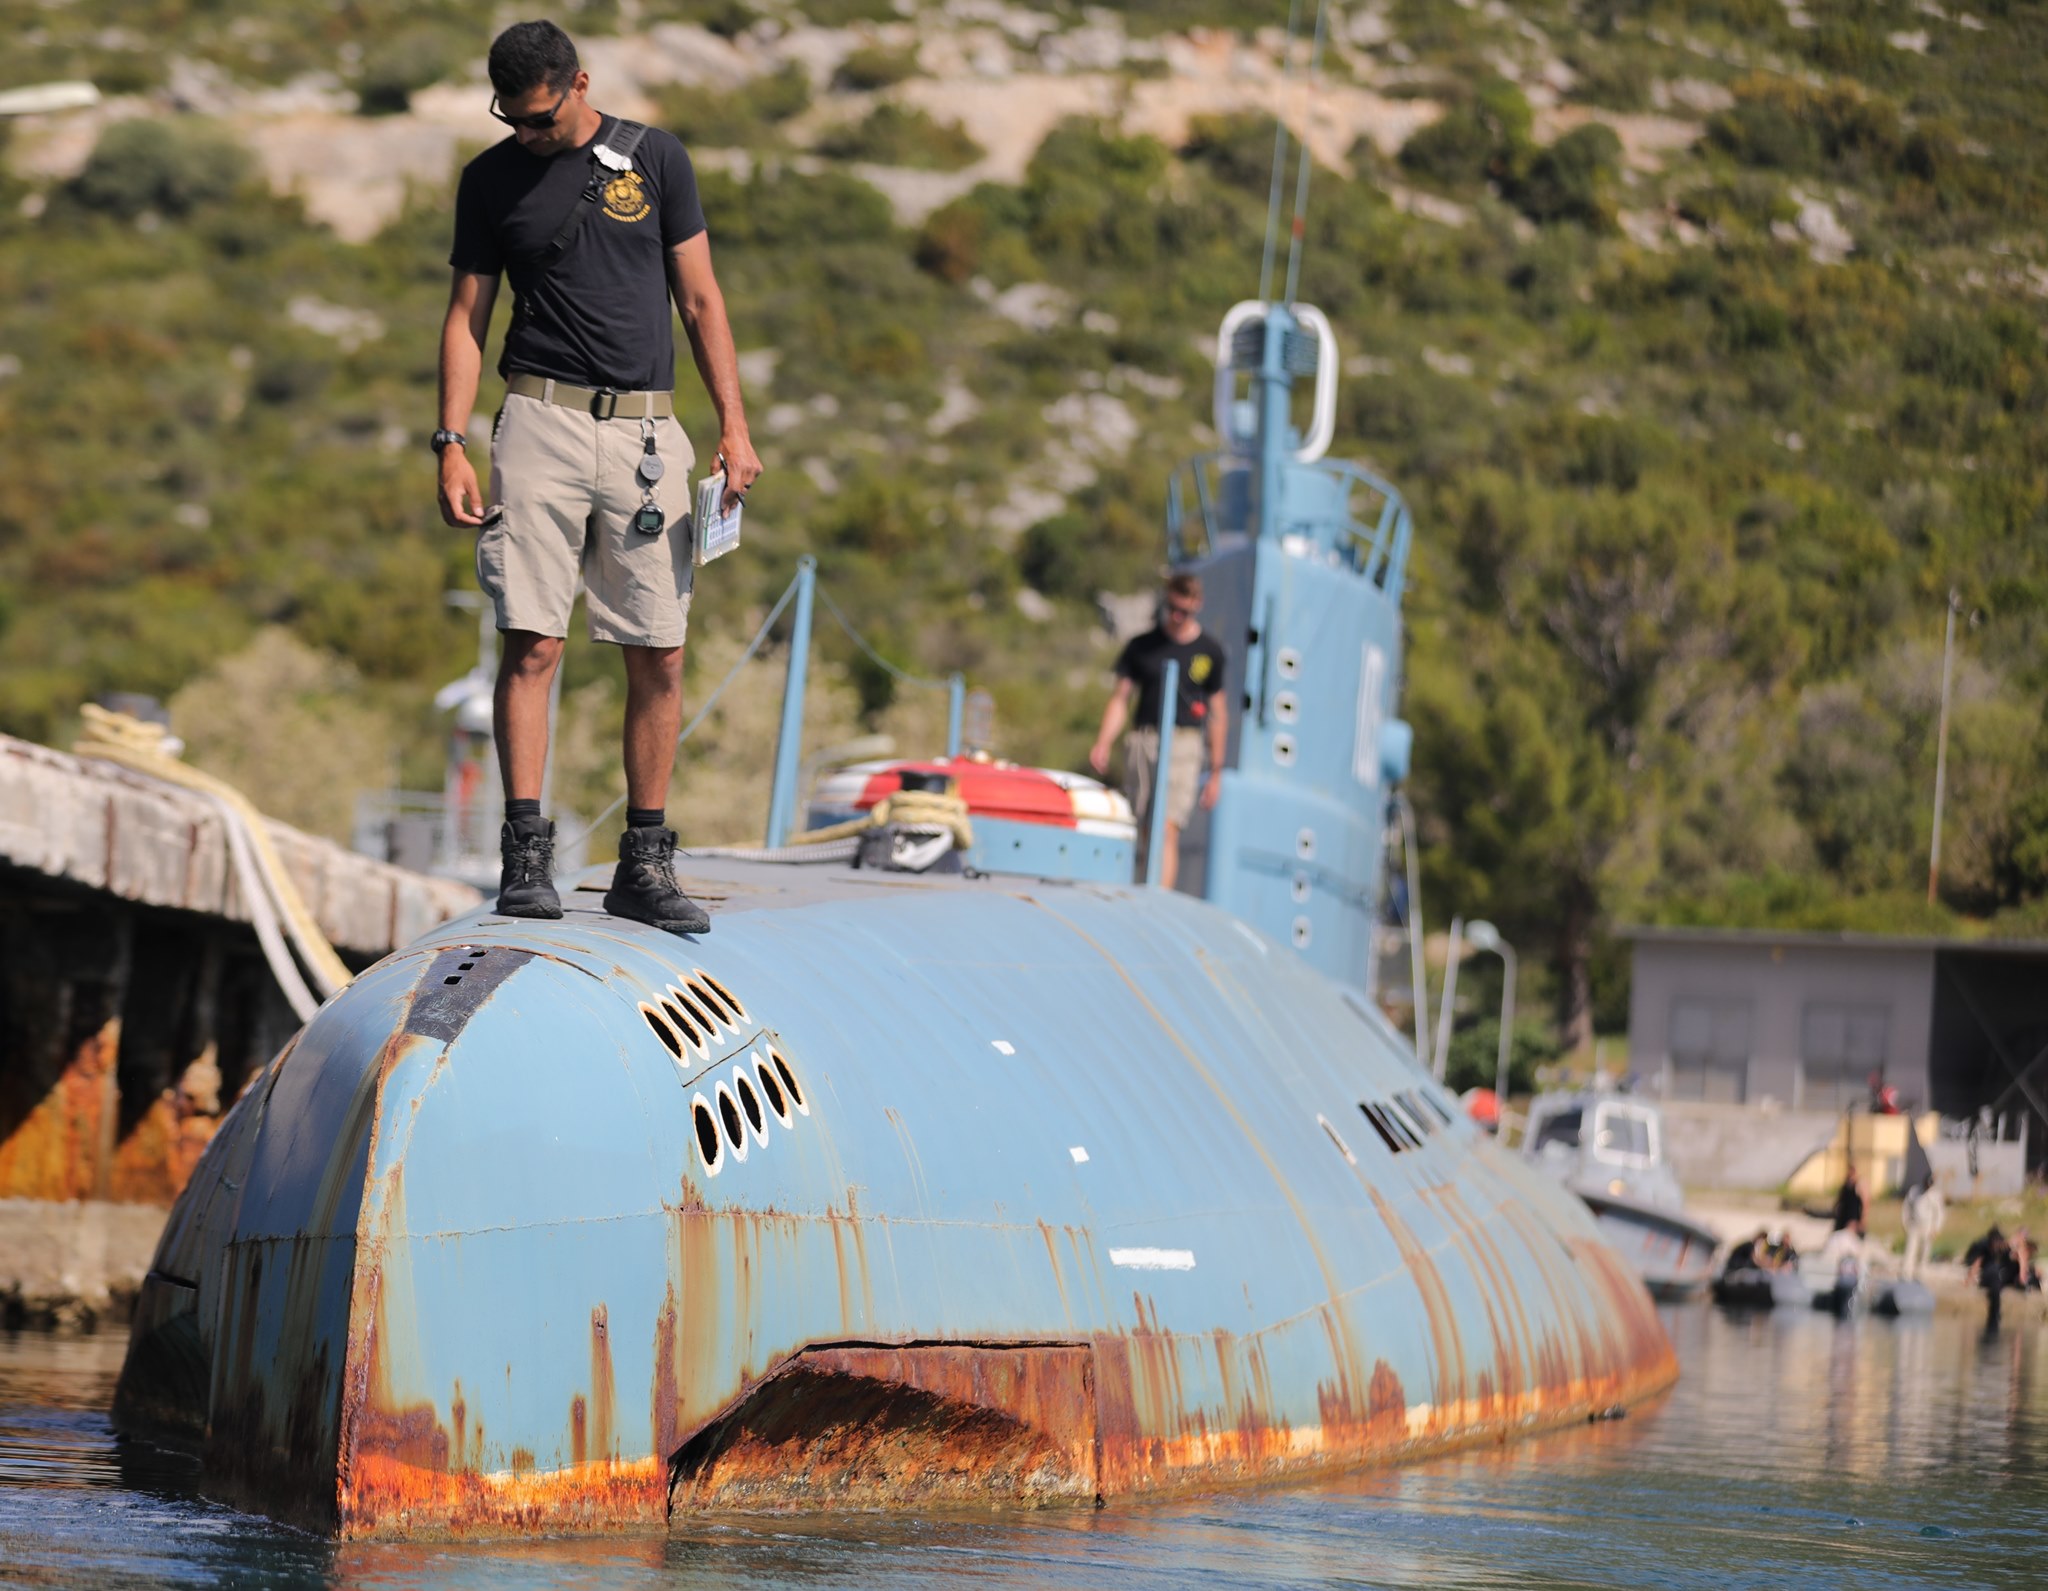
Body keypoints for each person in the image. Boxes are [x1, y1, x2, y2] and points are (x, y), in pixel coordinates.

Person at [436, 20, 762, 934]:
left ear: (579, 82)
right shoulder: (489, 178)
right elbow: (467, 316)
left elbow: (701, 299)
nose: (528, 135)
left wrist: (734, 425)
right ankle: (525, 855)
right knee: (531, 640)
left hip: (646, 432)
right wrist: (448, 441)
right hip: (537, 419)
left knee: (657, 647)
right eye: (514, 119)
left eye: (540, 118)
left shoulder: (656, 160)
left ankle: (646, 864)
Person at [1088, 573, 1227, 890]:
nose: (1178, 617)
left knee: (1167, 827)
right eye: (1173, 609)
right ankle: (1137, 887)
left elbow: (1218, 713)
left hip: (1184, 744)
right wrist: (1103, 742)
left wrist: (1216, 771)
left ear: (1198, 607)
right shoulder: (1141, 646)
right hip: (1144, 740)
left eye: (1186, 612)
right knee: (1143, 826)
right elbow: (1121, 698)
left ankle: (1157, 897)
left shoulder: (1210, 651)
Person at [1964, 1225, 2016, 1328]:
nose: (1997, 1244)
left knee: (1996, 1285)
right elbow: (1977, 1263)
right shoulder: (1985, 1248)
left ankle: (1995, 1315)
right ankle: (1995, 1315)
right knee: (1995, 1287)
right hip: (1989, 1276)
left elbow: (2015, 1258)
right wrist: (1969, 1279)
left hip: (1998, 1276)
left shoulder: (2003, 1249)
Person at [1901, 1172, 1946, 1282]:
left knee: (1924, 1252)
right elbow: (1906, 1207)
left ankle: (1920, 1275)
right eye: (1926, 1184)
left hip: (1928, 1227)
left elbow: (1940, 1214)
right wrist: (1905, 1223)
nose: (1927, 1187)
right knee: (1910, 1250)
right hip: (1914, 1225)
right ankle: (1905, 1274)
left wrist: (1936, 1229)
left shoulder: (1935, 1194)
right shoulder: (1914, 1191)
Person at [1831, 1162, 1864, 1232]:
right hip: (1843, 1218)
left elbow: (1864, 1205)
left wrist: (1861, 1221)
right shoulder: (1845, 1186)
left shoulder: (1858, 1186)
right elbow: (1840, 1200)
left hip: (1852, 1219)